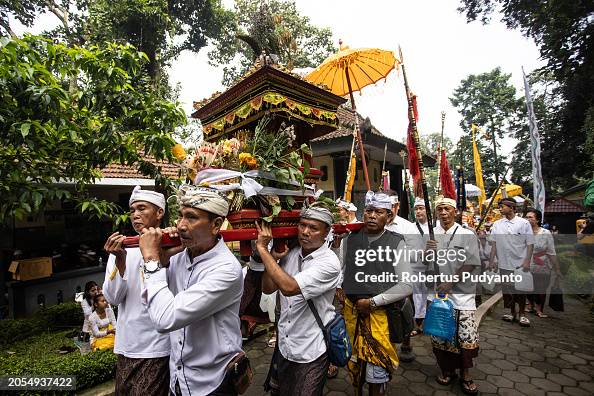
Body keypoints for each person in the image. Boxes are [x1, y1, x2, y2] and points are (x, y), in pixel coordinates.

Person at [140, 186, 245, 395]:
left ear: (216, 225)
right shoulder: (179, 256)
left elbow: (165, 319)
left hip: (212, 383)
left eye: (191, 217)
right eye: (180, 216)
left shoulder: (226, 269)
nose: (180, 226)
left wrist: (151, 260)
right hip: (178, 378)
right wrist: (163, 260)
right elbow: (151, 302)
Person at [258, 203, 341, 396]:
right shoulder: (291, 252)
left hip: (310, 350)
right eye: (302, 225)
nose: (305, 232)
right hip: (285, 346)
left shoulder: (329, 263)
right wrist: (274, 258)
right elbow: (268, 288)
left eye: (313, 228)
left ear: (326, 231)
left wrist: (262, 250)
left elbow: (289, 288)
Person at [339, 191, 413, 396]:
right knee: (356, 366)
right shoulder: (350, 239)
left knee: (376, 372)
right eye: (369, 211)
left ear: (388, 217)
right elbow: (340, 270)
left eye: (378, 212)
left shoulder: (397, 242)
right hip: (352, 314)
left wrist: (372, 302)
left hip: (381, 317)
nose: (371, 215)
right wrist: (340, 289)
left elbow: (407, 285)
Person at [102, 185, 171, 395]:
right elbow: (113, 298)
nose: (135, 215)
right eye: (132, 210)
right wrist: (120, 261)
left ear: (159, 212)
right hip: (127, 344)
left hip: (158, 345)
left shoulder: (172, 245)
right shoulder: (123, 249)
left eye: (142, 208)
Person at [425, 197, 481, 395]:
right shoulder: (431, 234)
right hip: (437, 295)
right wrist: (427, 253)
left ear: (455, 211)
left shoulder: (467, 234)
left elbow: (472, 263)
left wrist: (451, 282)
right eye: (439, 209)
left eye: (447, 209)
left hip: (462, 296)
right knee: (440, 336)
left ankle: (466, 374)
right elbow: (424, 264)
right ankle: (447, 370)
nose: (443, 213)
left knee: (464, 336)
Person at [383, 190, 419, 363]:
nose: (388, 211)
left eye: (391, 207)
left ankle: (406, 343)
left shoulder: (407, 227)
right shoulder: (375, 224)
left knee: (404, 310)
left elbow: (416, 253)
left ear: (397, 206)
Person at [488, 197, 534, 327]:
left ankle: (522, 314)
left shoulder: (523, 223)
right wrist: (492, 261)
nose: (500, 208)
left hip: (519, 263)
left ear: (512, 207)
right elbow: (494, 245)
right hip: (504, 263)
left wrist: (527, 261)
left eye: (503, 206)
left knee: (520, 289)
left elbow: (530, 244)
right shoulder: (497, 224)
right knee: (507, 289)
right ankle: (511, 312)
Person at [524, 208, 562, 318]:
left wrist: (557, 268)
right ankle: (530, 305)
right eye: (526, 217)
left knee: (541, 288)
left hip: (542, 264)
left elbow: (551, 252)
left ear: (537, 220)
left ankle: (539, 309)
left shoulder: (546, 233)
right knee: (528, 287)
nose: (527, 219)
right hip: (527, 264)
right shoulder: (523, 233)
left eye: (530, 217)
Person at [410, 197, 429, 336]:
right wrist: (420, 253)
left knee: (430, 296)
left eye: (421, 208)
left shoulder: (436, 227)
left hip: (432, 269)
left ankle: (429, 322)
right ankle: (417, 323)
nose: (418, 211)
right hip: (416, 267)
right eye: (416, 209)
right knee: (417, 296)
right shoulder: (410, 227)